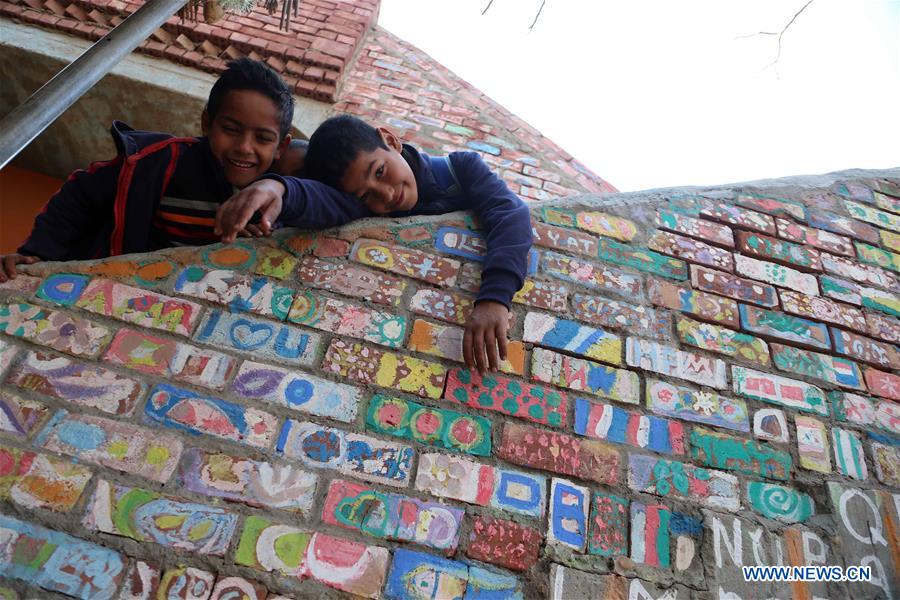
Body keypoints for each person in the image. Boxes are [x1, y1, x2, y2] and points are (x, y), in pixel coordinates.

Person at [214, 114, 533, 374]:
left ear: (391, 141)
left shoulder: (460, 170)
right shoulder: (366, 207)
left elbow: (510, 212)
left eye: (380, 171)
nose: (385, 193)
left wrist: (495, 298)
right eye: (366, 195)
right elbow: (321, 201)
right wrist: (278, 189)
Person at [0, 58, 335, 280]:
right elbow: (80, 193)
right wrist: (38, 253)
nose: (244, 148)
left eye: (262, 138)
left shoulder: (281, 198)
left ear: (282, 146)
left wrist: (280, 191)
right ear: (206, 122)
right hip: (118, 289)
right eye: (230, 129)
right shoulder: (160, 161)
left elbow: (341, 201)